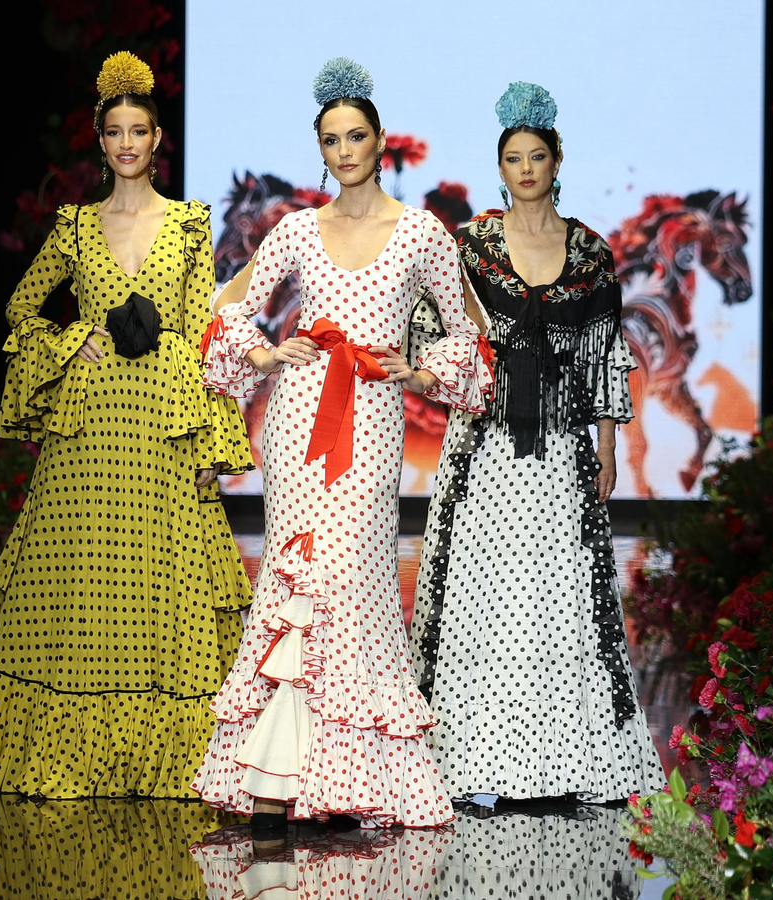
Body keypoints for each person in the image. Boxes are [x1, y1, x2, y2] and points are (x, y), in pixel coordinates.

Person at [0, 52, 253, 800]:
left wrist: (211, 437)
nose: (128, 143)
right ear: (101, 144)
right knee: (79, 587)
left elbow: (204, 329)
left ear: (158, 137)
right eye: (115, 132)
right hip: (90, 430)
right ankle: (73, 758)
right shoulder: (74, 229)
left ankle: (166, 760)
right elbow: (20, 309)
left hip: (161, 428)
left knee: (159, 584)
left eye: (140, 130)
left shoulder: (191, 223)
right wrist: (78, 339)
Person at [191, 57, 492, 833]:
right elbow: (228, 306)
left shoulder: (421, 232)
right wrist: (263, 355)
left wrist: (420, 371)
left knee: (354, 583)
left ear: (381, 139)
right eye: (331, 139)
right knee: (295, 578)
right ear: (319, 149)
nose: (345, 149)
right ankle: (274, 778)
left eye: (356, 135)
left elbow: (473, 333)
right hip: (298, 420)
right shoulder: (296, 228)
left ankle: (342, 776)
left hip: (372, 417)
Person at [408, 82, 664, 807]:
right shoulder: (470, 247)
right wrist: (457, 368)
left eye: (536, 156)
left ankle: (560, 768)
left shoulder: (589, 251)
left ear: (557, 161)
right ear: (501, 169)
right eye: (513, 158)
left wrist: (609, 447)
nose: (526, 168)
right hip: (484, 449)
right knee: (481, 597)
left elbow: (605, 351)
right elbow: (432, 338)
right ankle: (465, 766)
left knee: (560, 599)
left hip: (559, 449)